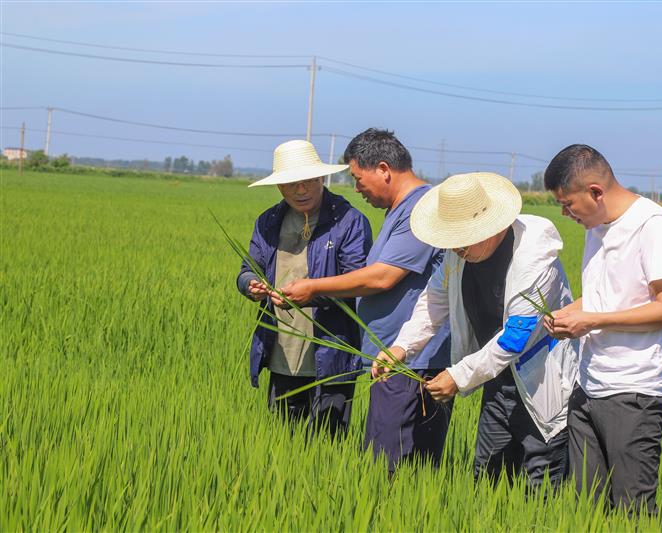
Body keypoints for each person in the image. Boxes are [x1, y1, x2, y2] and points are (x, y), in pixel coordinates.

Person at [379, 172, 579, 491]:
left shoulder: (535, 259)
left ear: (492, 226)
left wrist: (458, 377)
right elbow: (434, 300)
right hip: (497, 383)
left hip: (542, 382)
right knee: (486, 483)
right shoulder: (458, 255)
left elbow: (515, 338)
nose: (455, 248)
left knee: (540, 486)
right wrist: (401, 347)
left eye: (462, 238)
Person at [277, 128, 451, 475]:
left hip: (411, 361)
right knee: (398, 466)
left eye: (358, 178)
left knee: (389, 466)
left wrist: (313, 287)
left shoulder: (420, 210)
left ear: (383, 169)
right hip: (395, 358)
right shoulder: (401, 210)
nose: (356, 189)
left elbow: (383, 276)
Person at [542, 144, 662, 514]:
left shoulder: (652, 226)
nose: (565, 213)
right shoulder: (597, 227)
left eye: (568, 203)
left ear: (595, 192)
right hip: (589, 385)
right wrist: (566, 315)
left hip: (635, 392)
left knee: (631, 511)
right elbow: (602, 297)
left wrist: (590, 321)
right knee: (585, 509)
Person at [237, 139, 372, 437]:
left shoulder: (348, 222)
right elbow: (247, 271)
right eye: (292, 183)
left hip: (331, 354)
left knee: (328, 445)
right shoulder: (268, 222)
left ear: (321, 178)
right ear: (279, 187)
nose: (301, 190)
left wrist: (312, 292)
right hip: (281, 353)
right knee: (282, 443)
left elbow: (359, 281)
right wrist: (251, 286)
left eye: (308, 181)